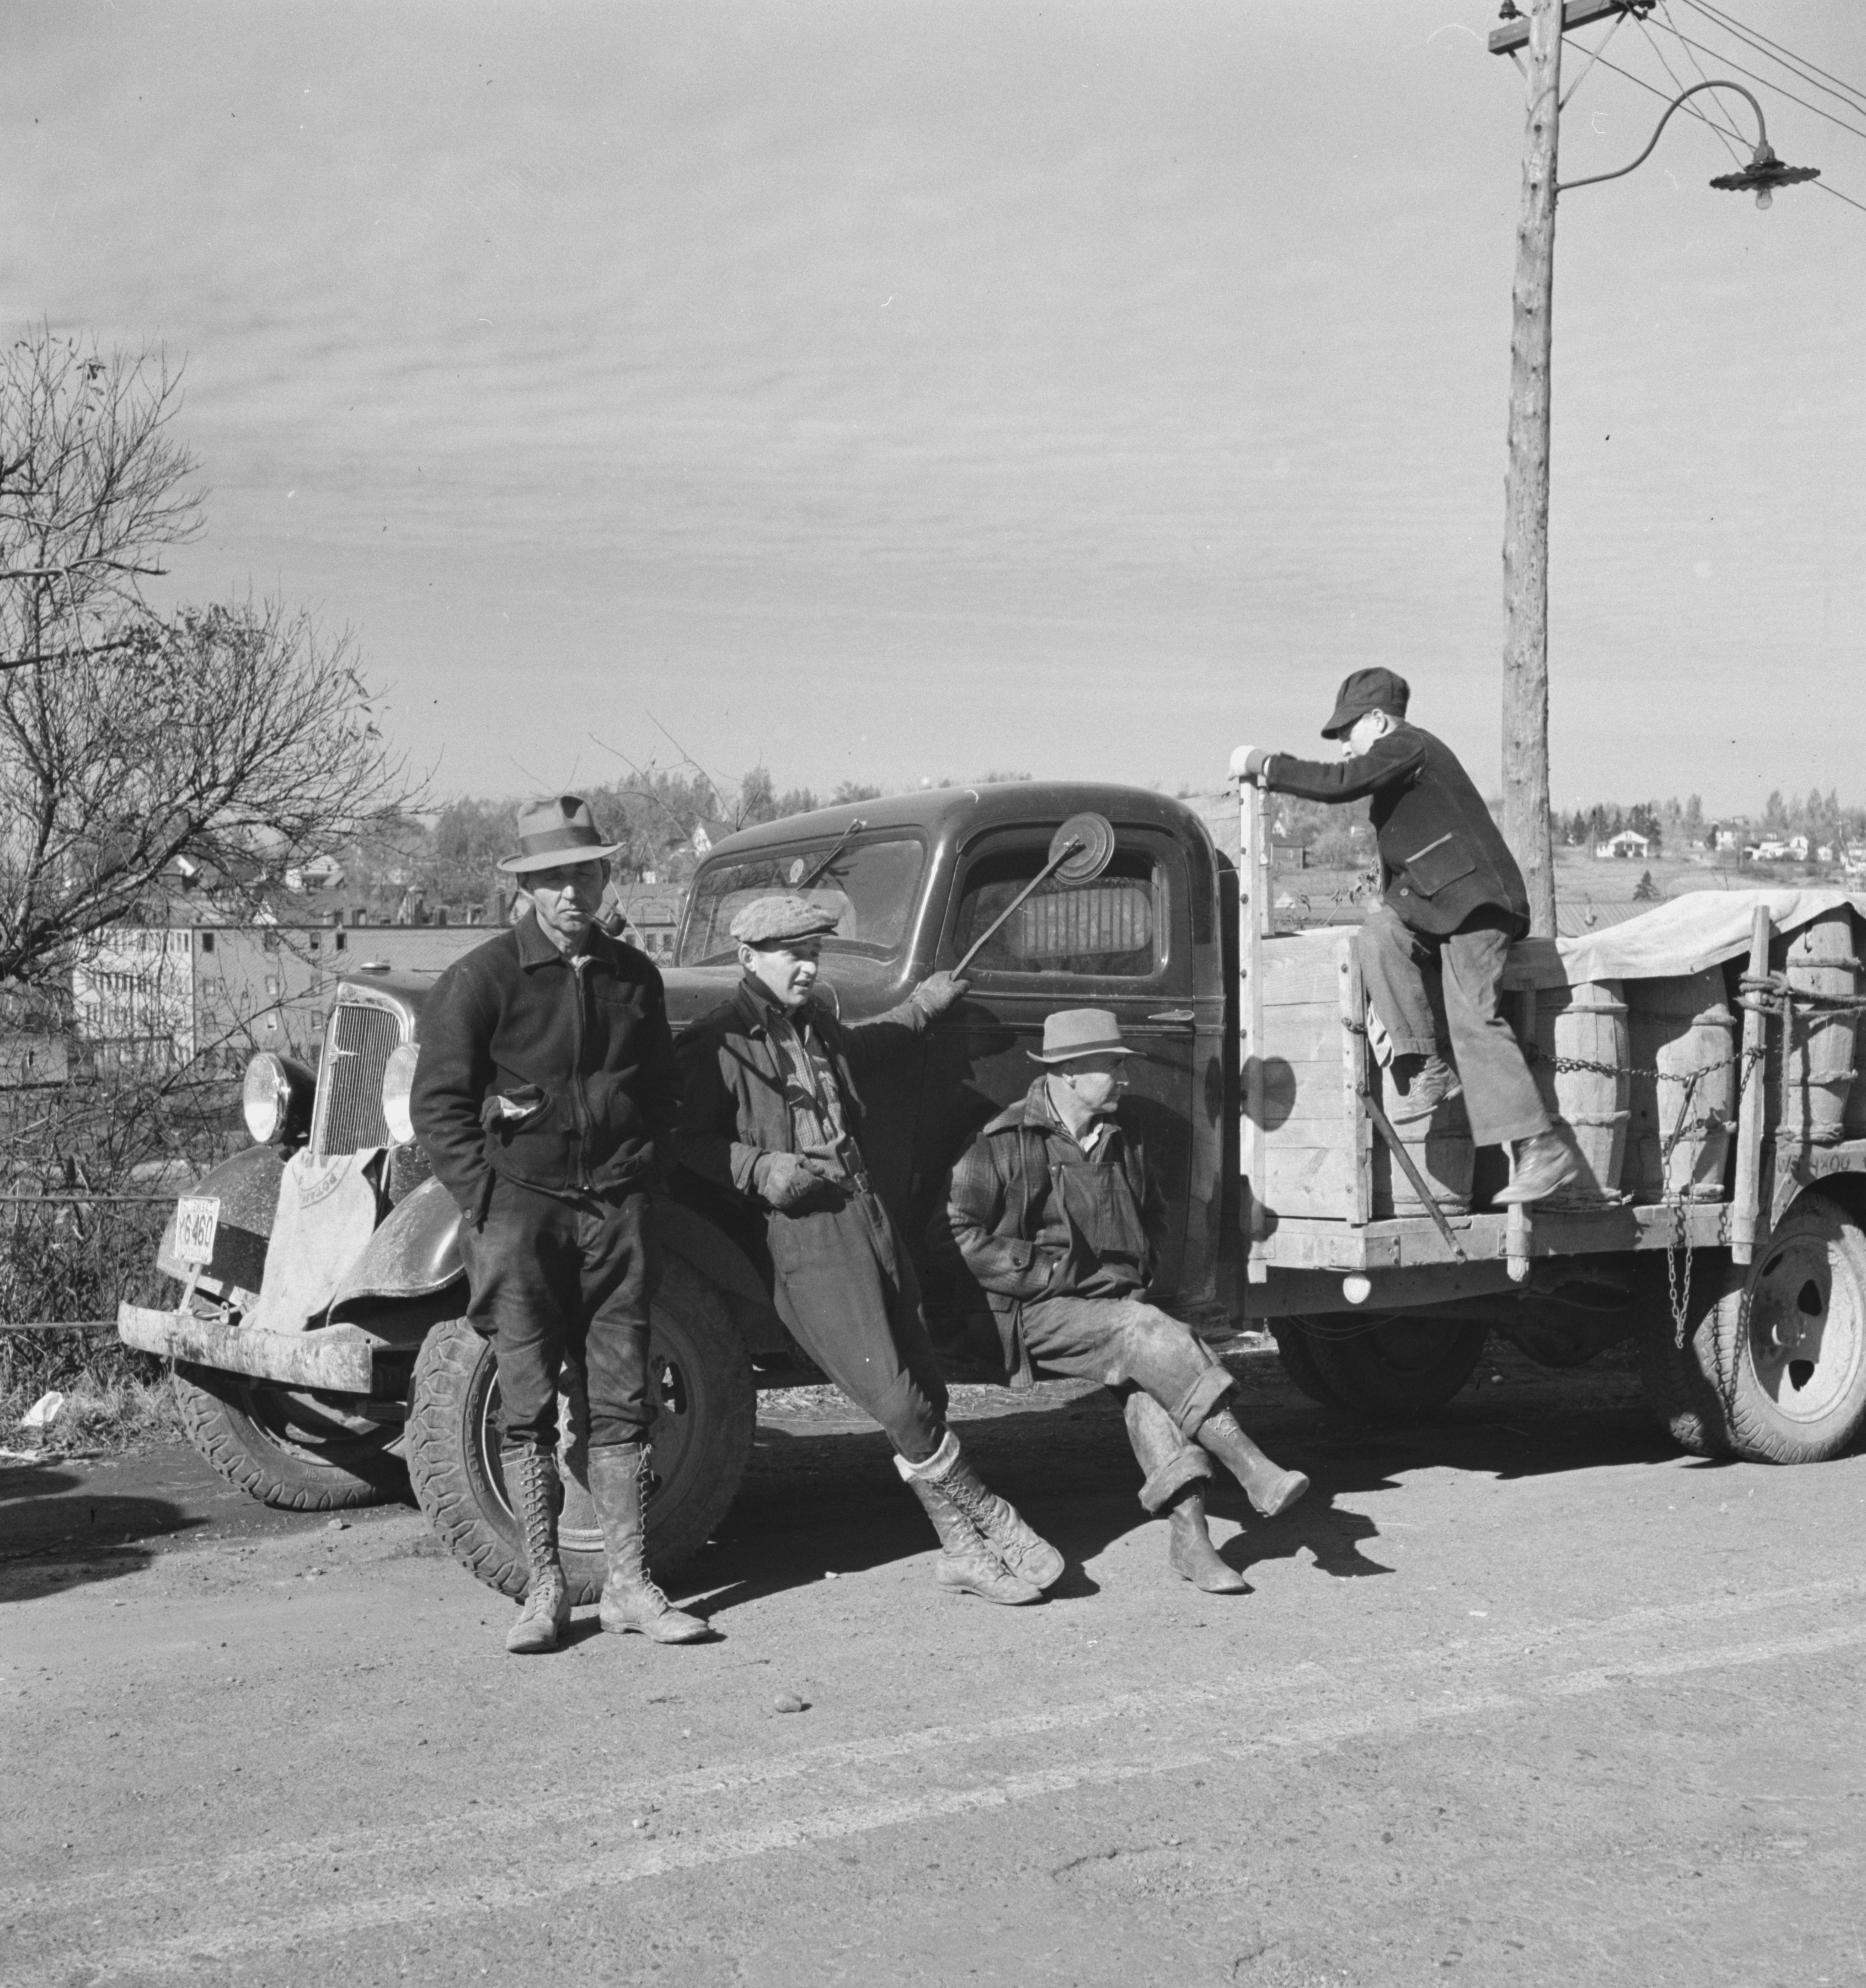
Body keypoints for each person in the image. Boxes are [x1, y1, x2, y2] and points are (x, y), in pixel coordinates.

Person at [675, 894, 1064, 1608]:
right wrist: (759, 1169)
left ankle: (961, 1553)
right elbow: (685, 1141)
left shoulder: (817, 1025)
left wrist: (920, 1008)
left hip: (865, 1210)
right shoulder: (717, 1043)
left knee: (924, 1377)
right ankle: (995, 1523)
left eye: (814, 951)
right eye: (792, 952)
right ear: (748, 958)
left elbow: (865, 1047)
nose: (807, 964)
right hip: (804, 1234)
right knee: (893, 1394)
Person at [410, 795, 708, 1655]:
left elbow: (660, 1093)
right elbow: (440, 1107)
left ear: (606, 876)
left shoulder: (633, 977)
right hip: (520, 1216)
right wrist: (490, 1200)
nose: (570, 893)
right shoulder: (484, 978)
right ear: (527, 888)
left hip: (615, 1215)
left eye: (583, 873)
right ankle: (544, 1588)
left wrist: (638, 1181)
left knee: (621, 1400)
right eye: (551, 879)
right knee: (527, 1405)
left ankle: (627, 1585)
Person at [933, 1008, 1309, 1596]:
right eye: (1111, 1066)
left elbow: (1155, 1212)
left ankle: (1193, 1539)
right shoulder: (1005, 1142)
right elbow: (954, 1231)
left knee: (1149, 1371)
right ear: (1072, 1072)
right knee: (1144, 1332)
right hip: (1029, 1314)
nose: (1123, 1078)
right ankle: (1251, 1465)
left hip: (1109, 1309)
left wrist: (1140, 1266)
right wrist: (1041, 1271)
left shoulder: (1122, 1136)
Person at [1238, 667, 1577, 1205]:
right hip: (1437, 908)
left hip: (1476, 907)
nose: (1344, 744)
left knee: (1472, 1019)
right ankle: (1427, 1068)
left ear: (1377, 719)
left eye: (1347, 730)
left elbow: (1339, 784)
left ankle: (1543, 1148)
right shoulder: (1397, 768)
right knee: (1379, 935)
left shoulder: (1407, 745)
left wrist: (1268, 766)